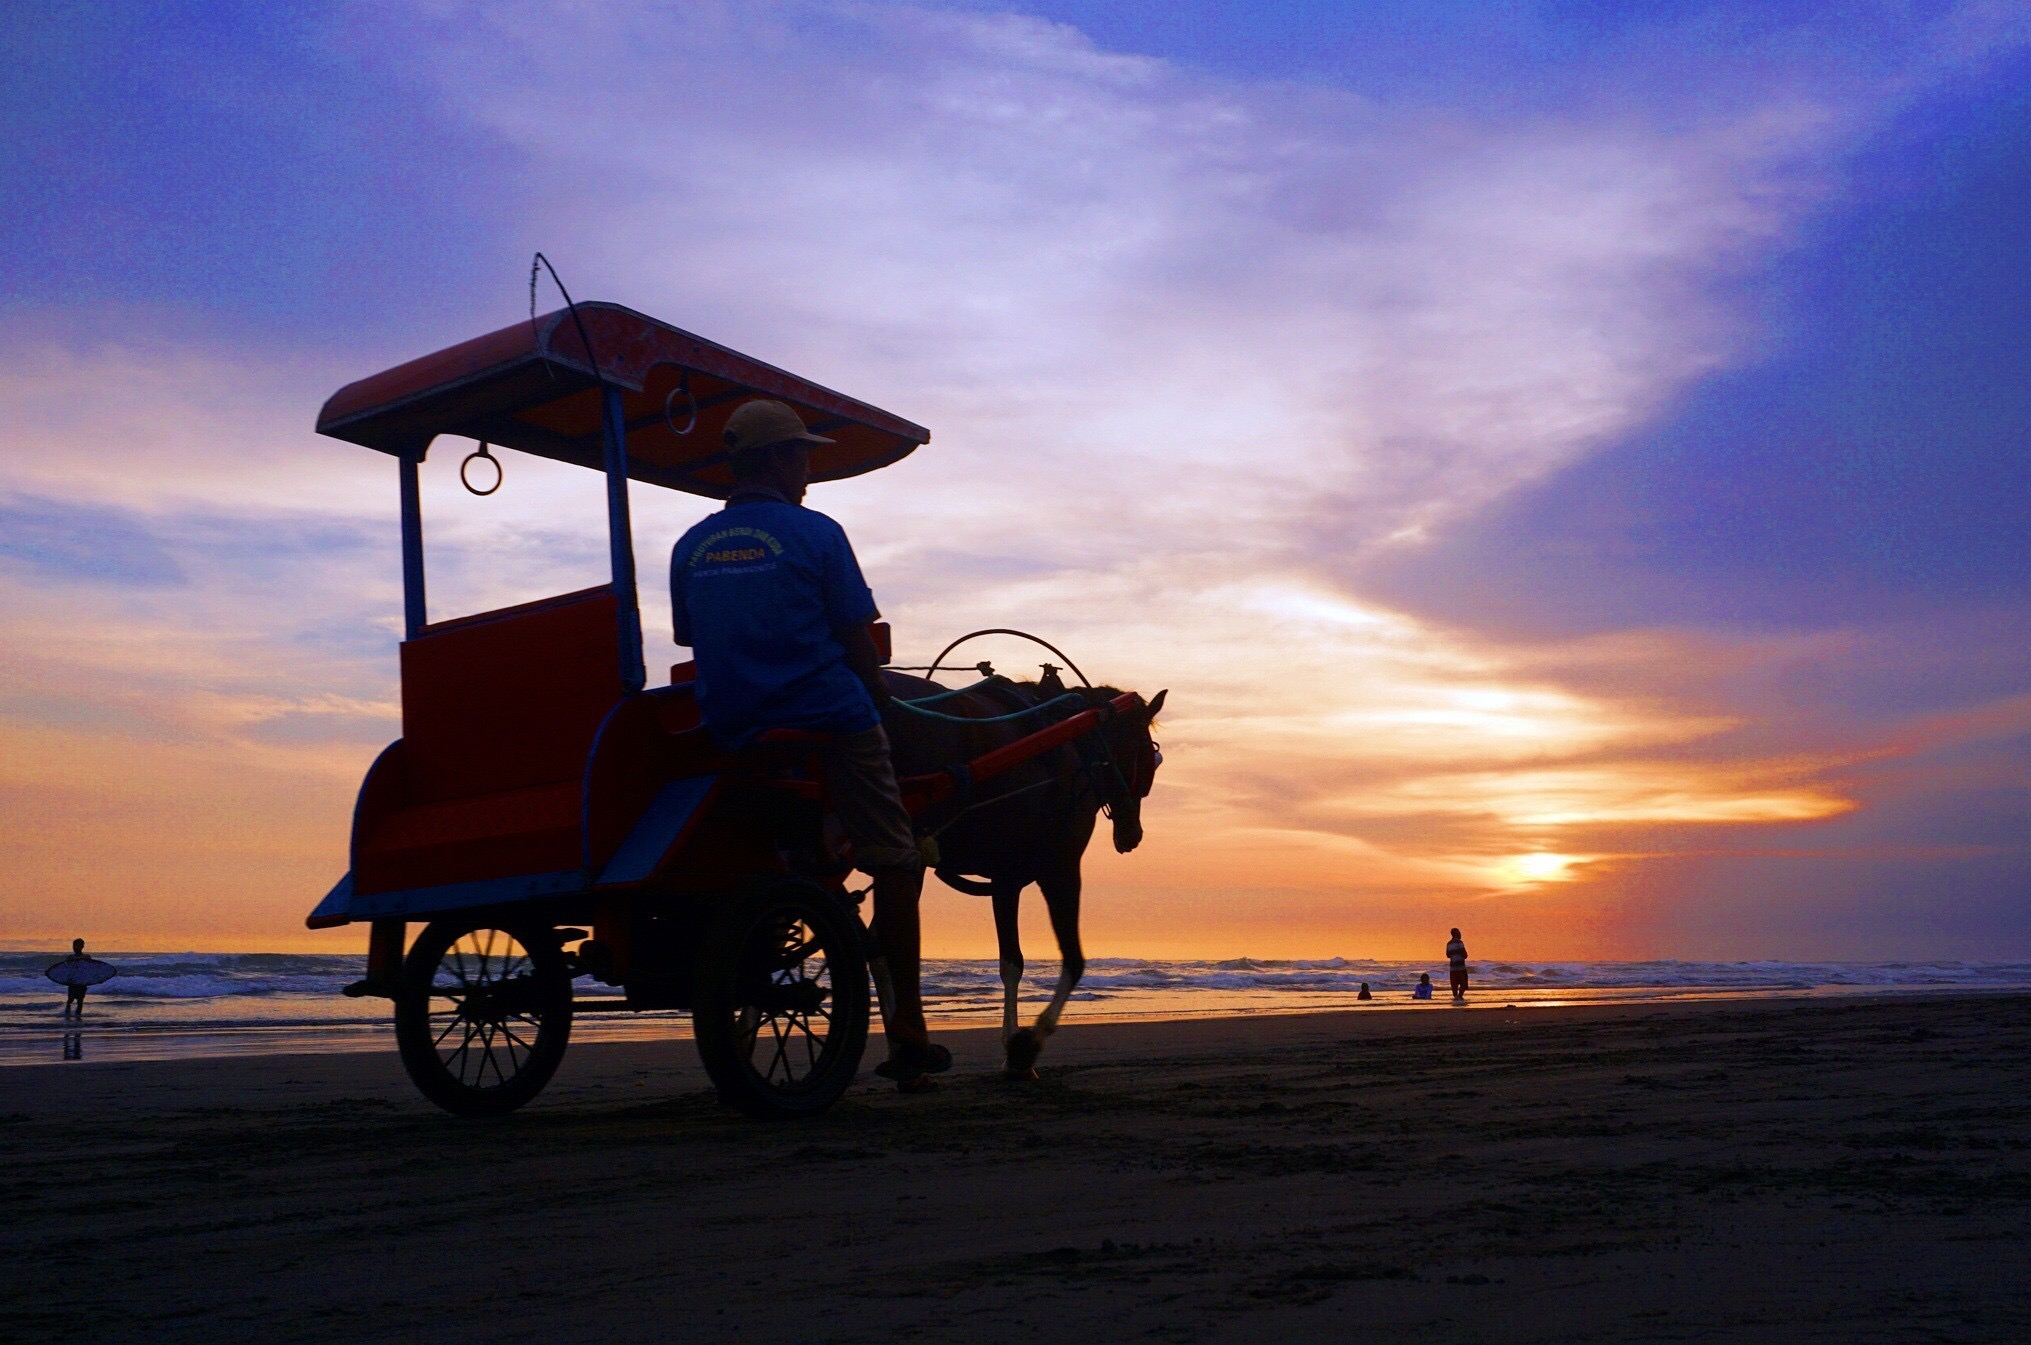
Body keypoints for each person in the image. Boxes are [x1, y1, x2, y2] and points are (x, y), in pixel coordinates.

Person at [670, 399, 949, 1089]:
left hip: (733, 725)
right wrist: (880, 699)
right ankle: (908, 1028)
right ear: (771, 459)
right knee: (897, 856)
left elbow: (688, 636)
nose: (807, 466)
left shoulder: (690, 546)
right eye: (799, 453)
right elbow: (858, 637)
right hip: (826, 715)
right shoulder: (817, 532)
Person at [57, 938, 90, 1017]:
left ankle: (78, 1016)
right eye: (74, 946)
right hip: (72, 981)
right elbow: (65, 969)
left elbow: (91, 969)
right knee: (70, 999)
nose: (75, 948)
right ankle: (67, 1014)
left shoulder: (87, 957)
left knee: (80, 1001)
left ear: (82, 946)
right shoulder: (70, 957)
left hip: (82, 982)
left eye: (77, 946)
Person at [1446, 927, 1469, 1002]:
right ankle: (1460, 996)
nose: (1460, 934)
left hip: (1452, 967)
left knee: (1454, 984)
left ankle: (1456, 997)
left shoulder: (1448, 944)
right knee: (1463, 983)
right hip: (1460, 967)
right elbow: (1464, 954)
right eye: (1459, 932)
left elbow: (1448, 955)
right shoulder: (1459, 942)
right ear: (1456, 934)